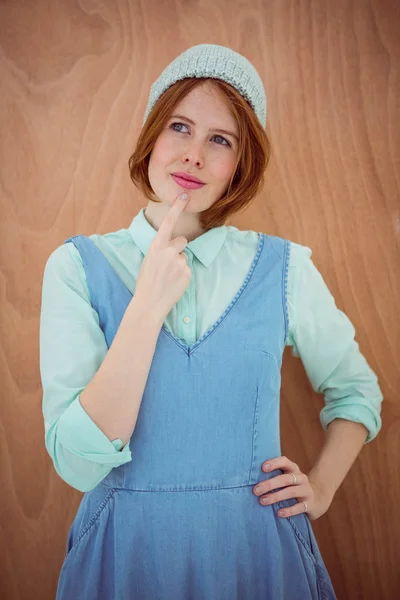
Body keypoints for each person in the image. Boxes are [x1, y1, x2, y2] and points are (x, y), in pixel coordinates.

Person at [39, 43, 383, 599]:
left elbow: (357, 393)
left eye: (220, 140)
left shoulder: (285, 267)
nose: (194, 155)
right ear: (152, 135)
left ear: (239, 166)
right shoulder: (76, 267)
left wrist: (319, 488)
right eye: (179, 126)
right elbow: (78, 466)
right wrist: (148, 304)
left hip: (260, 555)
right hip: (124, 557)